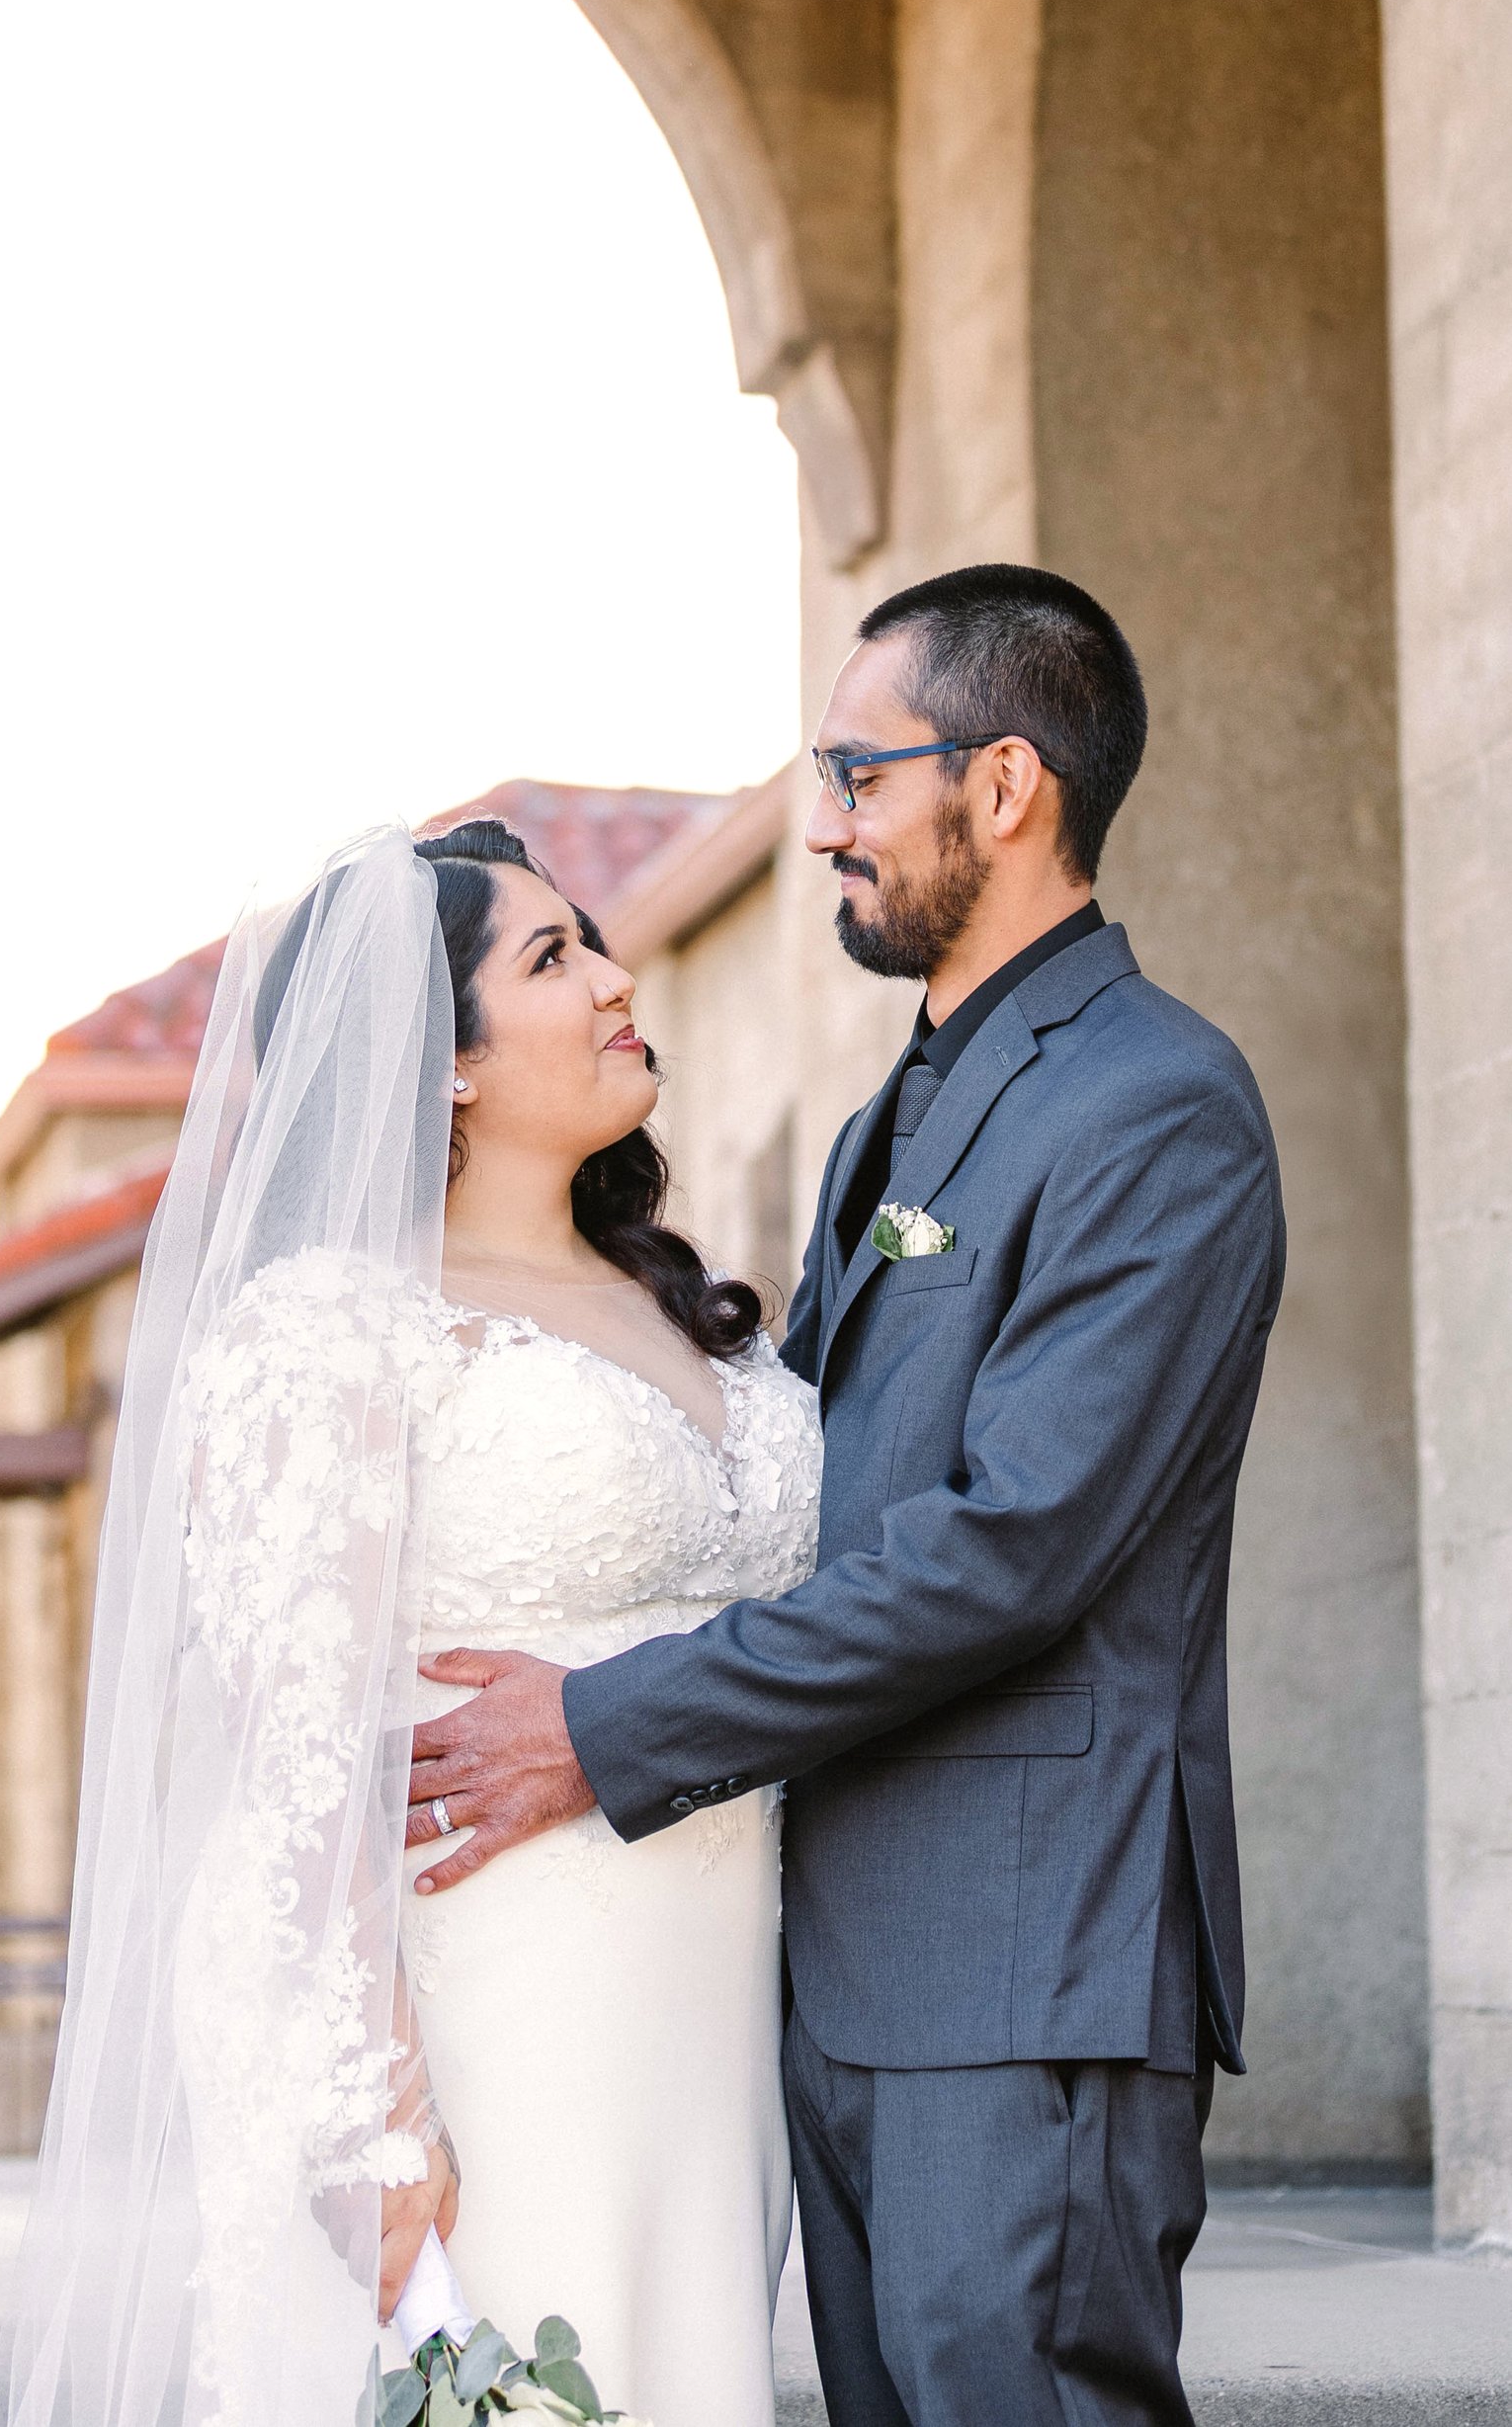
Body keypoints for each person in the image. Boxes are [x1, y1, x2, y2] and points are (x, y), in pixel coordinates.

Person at [406, 565, 1287, 2427]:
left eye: (859, 775)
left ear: (1004, 786)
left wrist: (603, 1724)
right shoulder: (902, 1113)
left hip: (1026, 1970)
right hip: (832, 1978)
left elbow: (1014, 1548)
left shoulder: (1158, 1103)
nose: (824, 824)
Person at [0, 817, 820, 2427]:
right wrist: (372, 2119)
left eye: (595, 941)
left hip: (708, 2026)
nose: (615, 976)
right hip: (487, 2020)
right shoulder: (331, 1333)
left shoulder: (685, 1307)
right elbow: (295, 1757)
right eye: (553, 956)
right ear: (436, 1063)